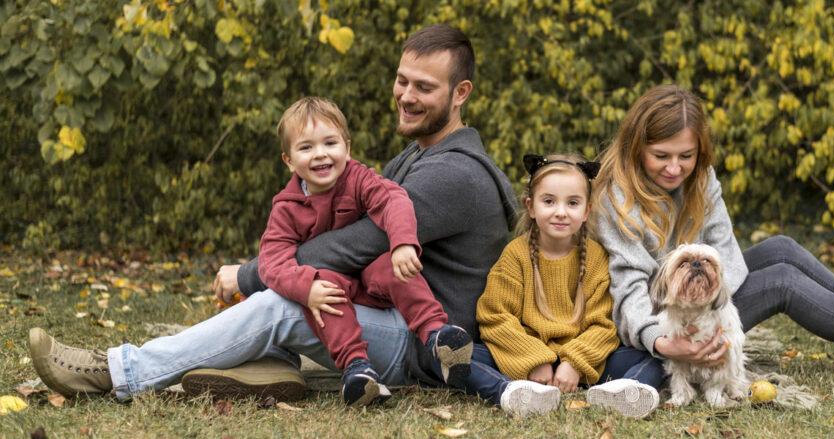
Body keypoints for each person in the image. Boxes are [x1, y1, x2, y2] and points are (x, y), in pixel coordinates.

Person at [28, 24, 518, 401]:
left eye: (424, 88)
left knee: (278, 304)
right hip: (384, 312)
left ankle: (117, 371)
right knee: (291, 294)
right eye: (401, 80)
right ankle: (269, 364)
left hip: (423, 344)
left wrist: (251, 274)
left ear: (461, 94)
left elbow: (352, 244)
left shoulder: (454, 174)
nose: (406, 96)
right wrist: (273, 270)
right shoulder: (416, 156)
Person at [591, 84, 834, 390]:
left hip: (703, 301)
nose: (676, 168)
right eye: (662, 156)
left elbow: (727, 255)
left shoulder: (701, 179)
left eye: (686, 155)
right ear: (635, 146)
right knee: (781, 281)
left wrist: (709, 297)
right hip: (661, 319)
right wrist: (664, 342)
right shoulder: (615, 197)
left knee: (781, 248)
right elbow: (627, 290)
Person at [256, 96, 473, 406]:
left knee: (393, 266)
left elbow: (393, 200)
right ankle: (357, 369)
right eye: (306, 148)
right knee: (325, 293)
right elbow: (272, 261)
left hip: (373, 277)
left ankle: (437, 335)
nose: (320, 155)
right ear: (289, 160)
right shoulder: (286, 208)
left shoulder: (357, 178)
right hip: (333, 285)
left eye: (330, 143)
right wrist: (306, 287)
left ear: (347, 147)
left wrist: (402, 243)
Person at [466, 153, 661, 418]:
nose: (560, 212)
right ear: (531, 206)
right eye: (549, 201)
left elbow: (603, 324)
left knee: (655, 354)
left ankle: (624, 390)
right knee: (459, 356)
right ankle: (512, 391)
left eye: (572, 203)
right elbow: (495, 317)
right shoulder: (516, 254)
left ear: (586, 211)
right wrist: (535, 360)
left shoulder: (595, 257)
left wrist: (574, 364)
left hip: (585, 360)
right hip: (525, 360)